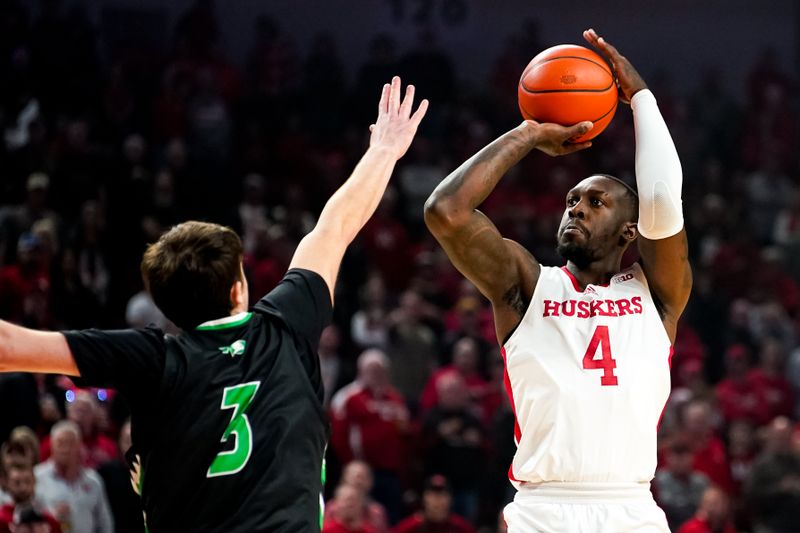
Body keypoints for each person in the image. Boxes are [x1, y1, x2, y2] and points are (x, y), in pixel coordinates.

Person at [0, 77, 427, 532]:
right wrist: (383, 150)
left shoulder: (151, 359)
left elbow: (9, 344)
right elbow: (336, 224)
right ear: (237, 290)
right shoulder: (285, 325)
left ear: (166, 308)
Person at [424, 29, 691, 533]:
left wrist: (642, 100)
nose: (576, 209)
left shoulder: (656, 294)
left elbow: (661, 201)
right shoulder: (527, 285)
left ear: (629, 231)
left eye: (595, 202)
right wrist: (528, 133)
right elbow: (446, 211)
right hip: (543, 510)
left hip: (631, 508)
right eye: (571, 201)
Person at [34, 421, 113, 533]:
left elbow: (105, 523)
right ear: (51, 445)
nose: (65, 449)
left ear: (79, 446)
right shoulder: (37, 477)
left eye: (70, 443)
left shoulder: (93, 480)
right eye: (60, 443)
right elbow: (28, 518)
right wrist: (52, 516)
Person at [391, 475, 474, 533]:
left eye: (442, 495)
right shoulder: (409, 527)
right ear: (424, 499)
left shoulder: (460, 527)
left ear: (450, 499)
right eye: (432, 495)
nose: (437, 500)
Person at [0, 463, 61, 533]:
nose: (23, 487)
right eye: (17, 483)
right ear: (7, 484)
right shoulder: (2, 520)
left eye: (27, 481)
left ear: (34, 482)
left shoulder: (49, 521)